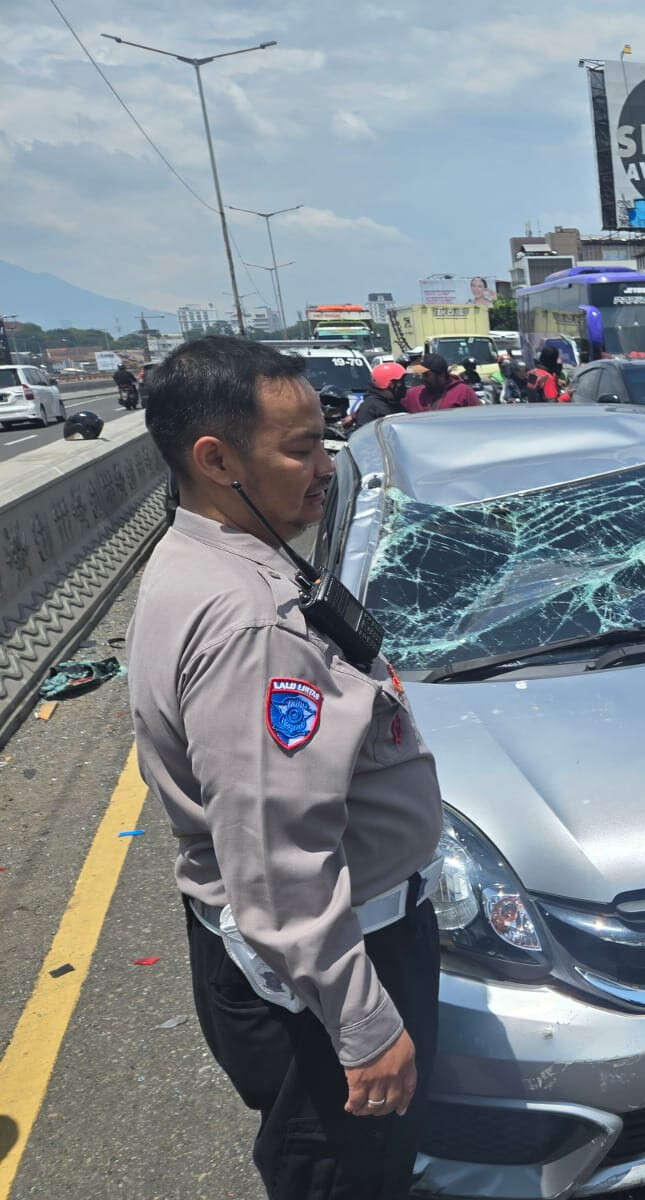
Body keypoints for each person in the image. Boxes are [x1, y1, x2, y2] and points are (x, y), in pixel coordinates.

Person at [127, 336, 444, 1197]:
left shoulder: (200, 557)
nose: (326, 464)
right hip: (329, 971)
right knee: (343, 1173)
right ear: (216, 458)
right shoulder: (250, 621)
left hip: (293, 961)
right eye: (300, 446)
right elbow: (276, 854)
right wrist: (366, 1024)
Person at [404, 353, 480, 413]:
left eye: (426, 374)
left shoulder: (464, 392)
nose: (422, 378)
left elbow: (477, 420)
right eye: (421, 374)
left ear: (441, 375)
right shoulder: (413, 394)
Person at [346, 361, 409, 430]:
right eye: (401, 383)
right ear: (390, 384)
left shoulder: (393, 403)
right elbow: (364, 435)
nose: (404, 386)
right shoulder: (370, 406)